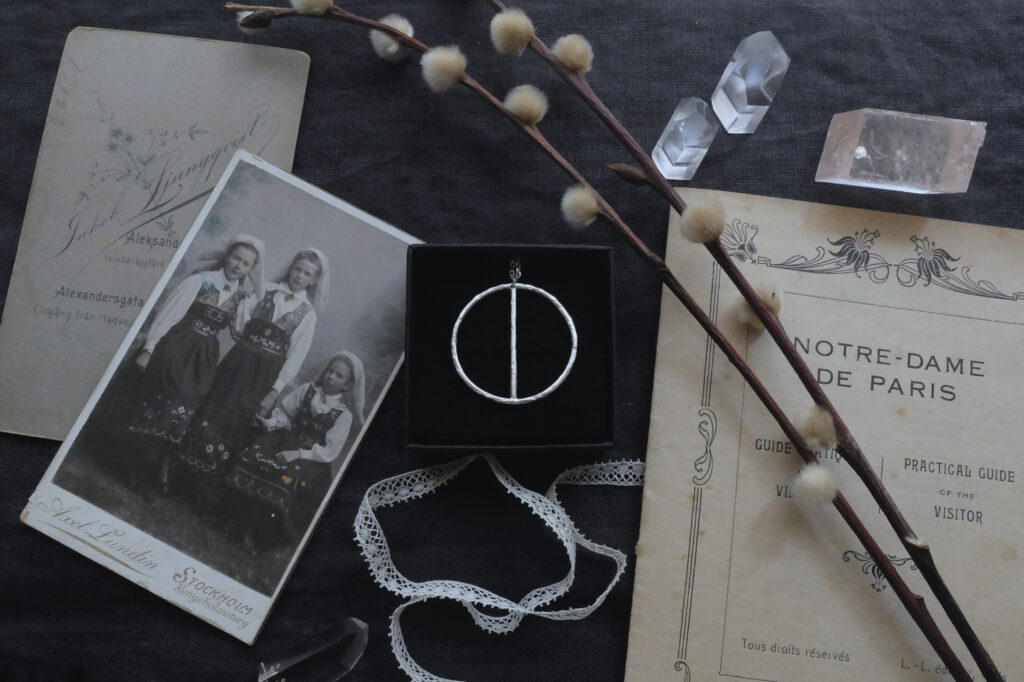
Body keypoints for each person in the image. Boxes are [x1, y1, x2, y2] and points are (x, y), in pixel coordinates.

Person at [185, 247, 328, 474]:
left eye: (307, 274)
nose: (299, 276)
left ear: (314, 280)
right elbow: (240, 324)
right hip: (239, 358)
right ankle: (185, 462)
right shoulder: (266, 290)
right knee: (215, 402)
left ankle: (210, 475)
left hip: (265, 373)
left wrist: (274, 390)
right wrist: (245, 327)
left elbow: (295, 357)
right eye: (297, 269)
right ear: (291, 268)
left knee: (239, 416)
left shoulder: (308, 314)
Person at [129, 234, 265, 444]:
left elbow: (238, 333)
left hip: (206, 354)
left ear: (250, 269)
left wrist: (250, 302)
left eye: (246, 264)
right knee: (167, 390)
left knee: (191, 398)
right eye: (236, 258)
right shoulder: (200, 280)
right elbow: (168, 315)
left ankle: (158, 452)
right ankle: (138, 448)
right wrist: (148, 349)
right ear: (227, 256)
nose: (238, 266)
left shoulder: (240, 297)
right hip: (179, 343)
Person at [225, 351, 365, 543]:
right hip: (286, 439)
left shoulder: (343, 415)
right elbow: (286, 415)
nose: (331, 377)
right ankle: (233, 516)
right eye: (330, 371)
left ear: (348, 385)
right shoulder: (308, 390)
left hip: (310, 458)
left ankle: (258, 532)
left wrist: (298, 453)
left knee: (286, 476)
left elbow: (329, 452)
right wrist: (270, 423)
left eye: (339, 375)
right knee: (254, 453)